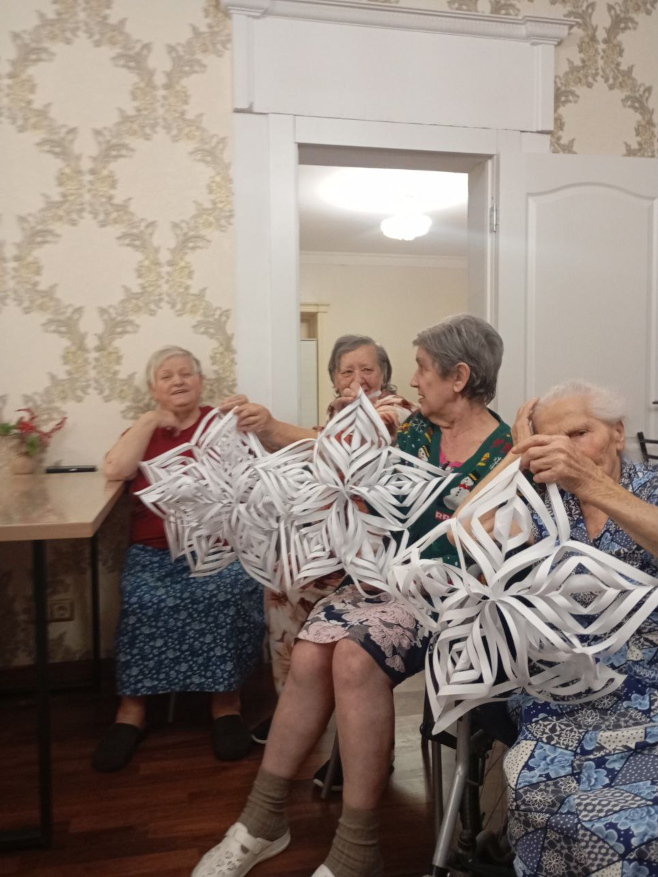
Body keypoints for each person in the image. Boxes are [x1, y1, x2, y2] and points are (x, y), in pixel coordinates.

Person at [193, 314, 513, 877]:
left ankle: (357, 848)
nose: (412, 380)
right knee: (311, 651)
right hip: (381, 585)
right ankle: (261, 821)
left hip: (452, 601)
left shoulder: (507, 451)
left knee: (353, 656)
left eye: (422, 368)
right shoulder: (416, 431)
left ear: (459, 376)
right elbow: (338, 458)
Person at [491, 381, 658, 877]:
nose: (566, 448)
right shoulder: (543, 501)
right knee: (536, 792)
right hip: (561, 685)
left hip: (649, 685)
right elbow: (462, 532)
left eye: (580, 433)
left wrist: (591, 483)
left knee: (635, 824)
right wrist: (516, 458)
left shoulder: (649, 488)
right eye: (551, 439)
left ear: (618, 433)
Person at [225, 335, 415, 749]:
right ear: (333, 379)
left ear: (384, 374)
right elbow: (303, 451)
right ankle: (295, 710)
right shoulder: (336, 413)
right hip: (332, 543)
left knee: (315, 602)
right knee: (281, 584)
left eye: (368, 369)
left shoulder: (396, 410)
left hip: (377, 553)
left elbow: (347, 447)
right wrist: (249, 426)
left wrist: (271, 425)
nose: (358, 378)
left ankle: (349, 735)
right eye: (347, 370)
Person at [92, 346, 265, 772]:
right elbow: (115, 469)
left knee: (229, 590)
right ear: (154, 389)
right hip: (154, 552)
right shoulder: (144, 429)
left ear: (201, 382)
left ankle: (226, 705)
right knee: (142, 599)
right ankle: (131, 712)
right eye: (166, 376)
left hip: (217, 550)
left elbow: (255, 476)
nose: (178, 381)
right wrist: (150, 420)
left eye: (186, 373)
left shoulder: (221, 423)